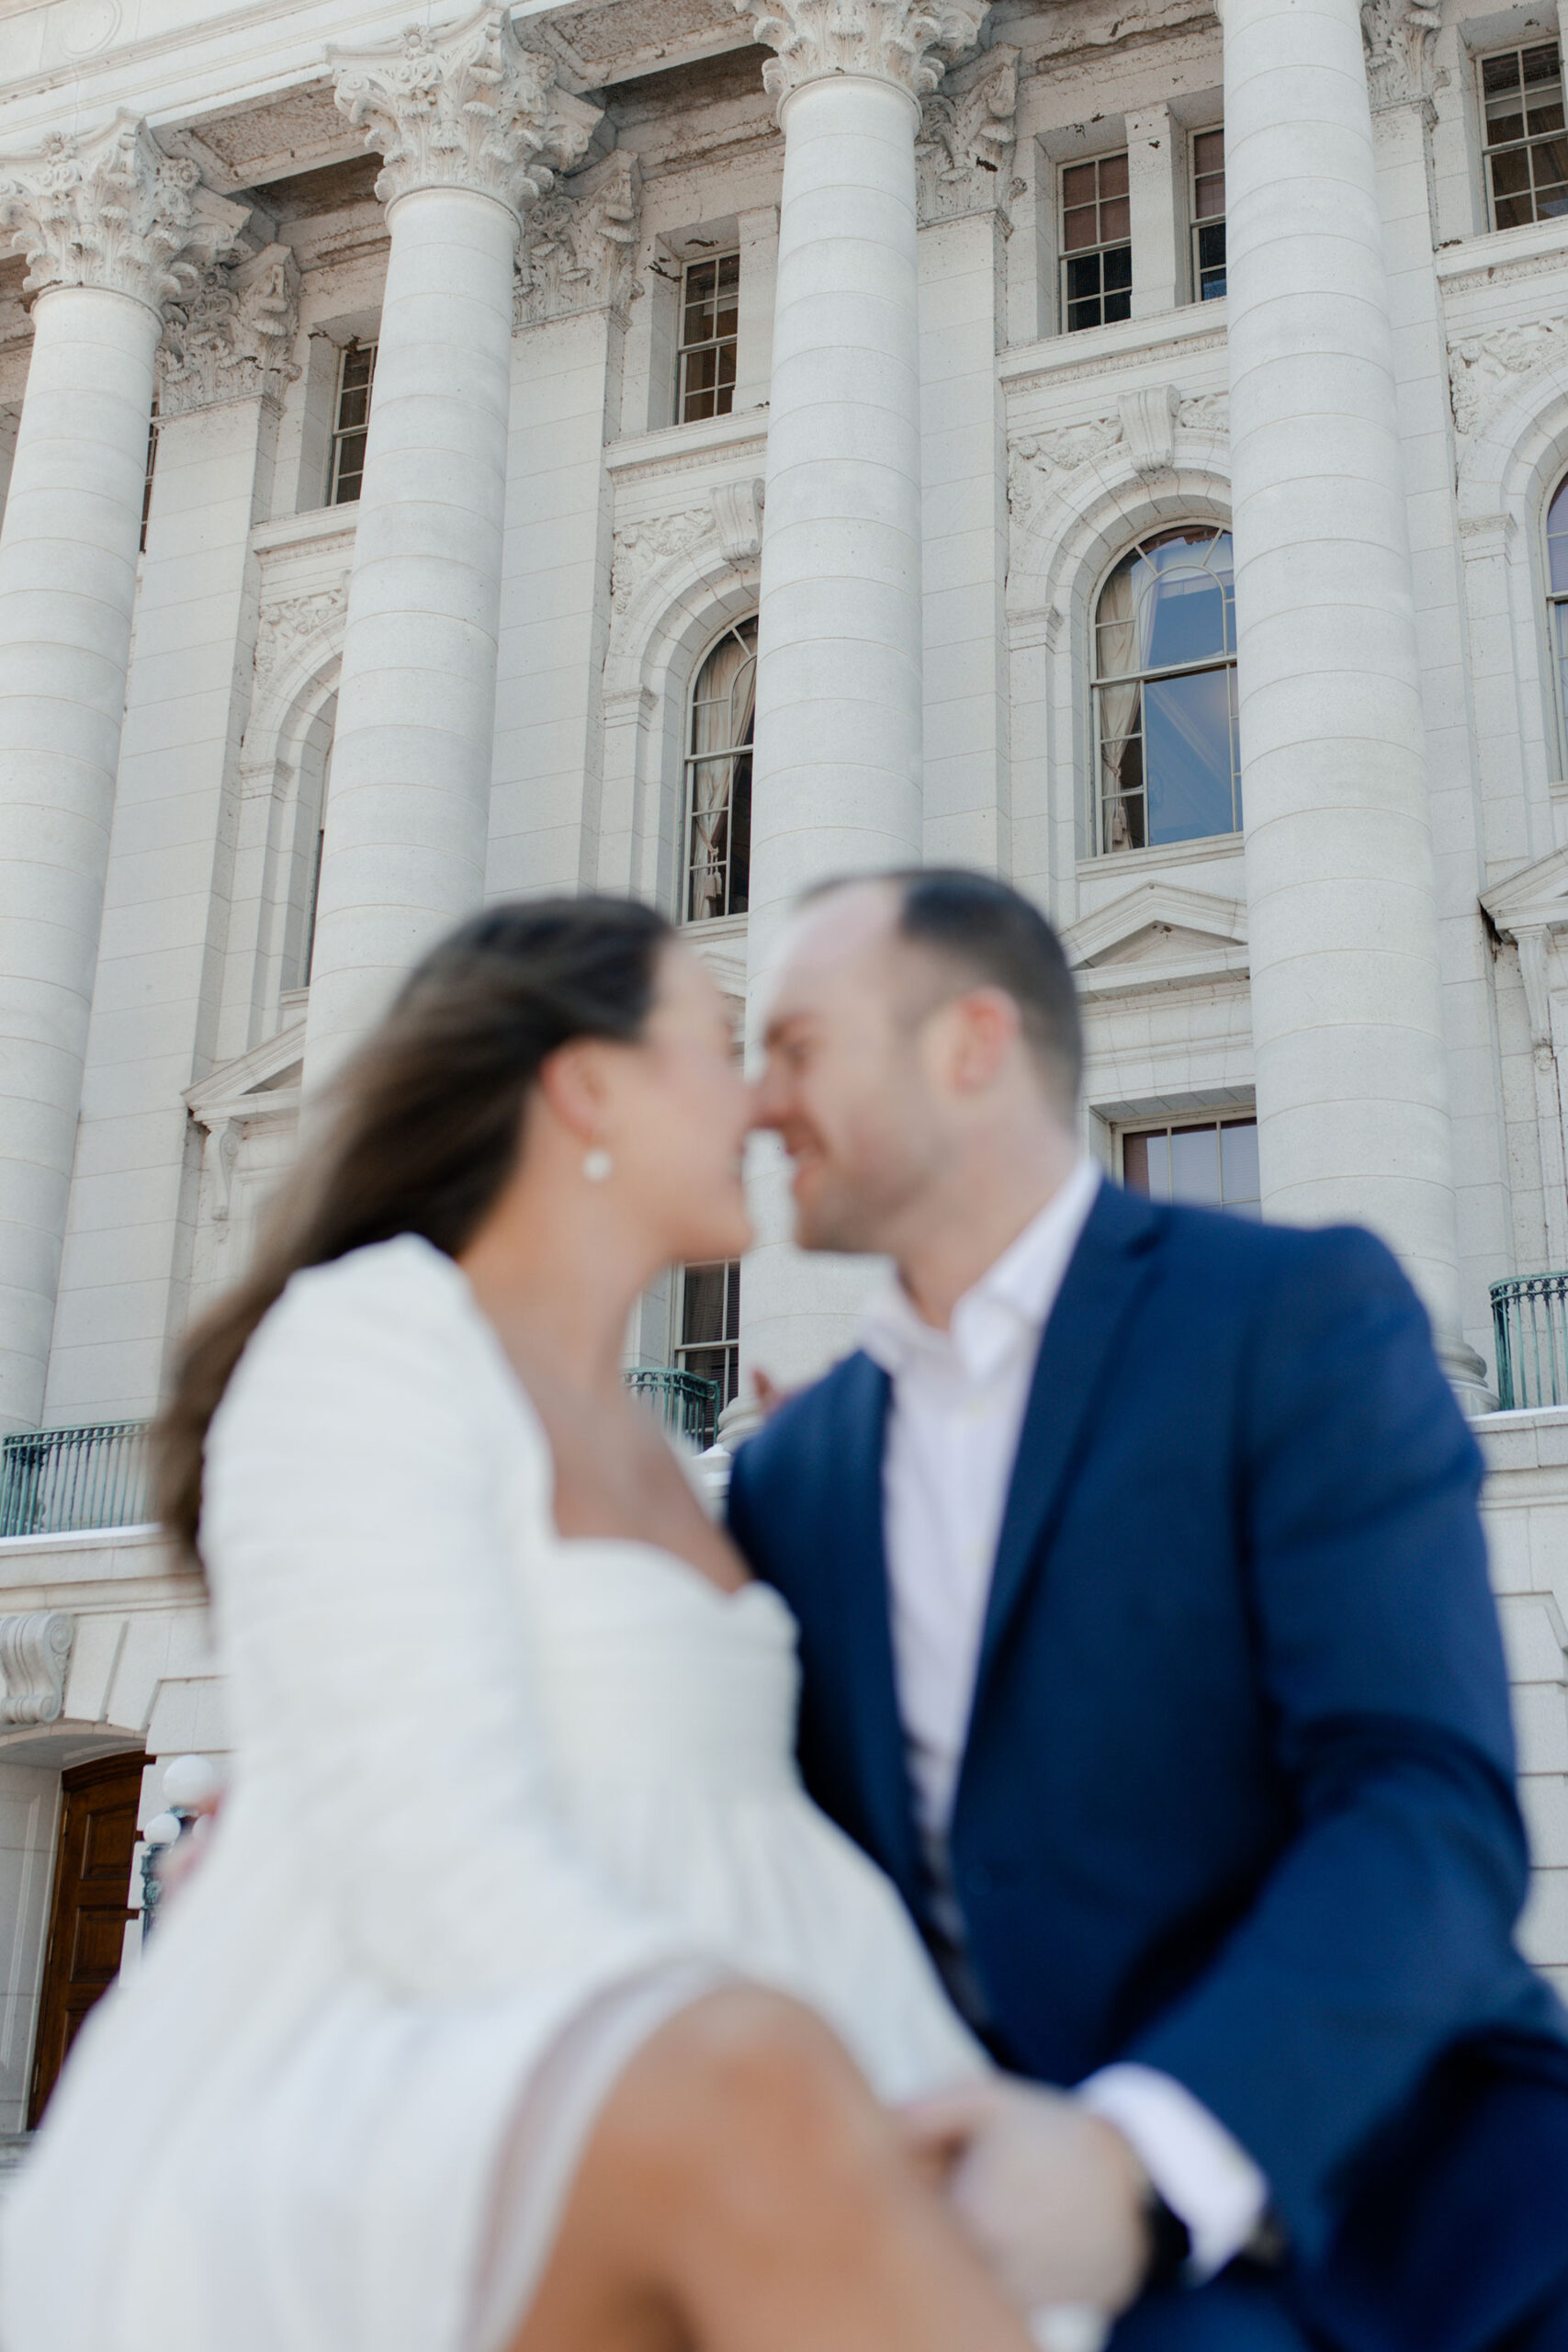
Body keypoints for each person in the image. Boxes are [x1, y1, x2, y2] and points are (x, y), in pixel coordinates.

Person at [0, 898, 1060, 2352]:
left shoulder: (670, 1451)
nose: (760, 1097)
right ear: (587, 1086)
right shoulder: (378, 1333)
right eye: (714, 1045)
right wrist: (743, 2074)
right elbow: (418, 1830)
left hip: (788, 2050)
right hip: (457, 2071)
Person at [728, 867, 1568, 2352]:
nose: (756, 1106)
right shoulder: (793, 1479)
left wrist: (1137, 2156)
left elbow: (1425, 1817)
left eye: (795, 1047)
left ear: (968, 1046)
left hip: (1426, 2237)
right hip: (1009, 2274)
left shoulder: (1294, 1320)